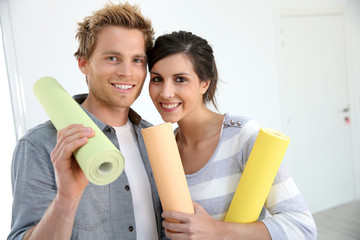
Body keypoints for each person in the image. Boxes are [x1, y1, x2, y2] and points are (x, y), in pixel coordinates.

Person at [9, 2, 163, 240]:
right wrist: (66, 199)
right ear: (83, 63)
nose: (127, 72)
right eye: (113, 58)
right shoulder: (40, 145)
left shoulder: (155, 138)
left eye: (137, 60)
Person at [147, 31, 317, 240]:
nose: (165, 92)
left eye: (180, 79)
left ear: (205, 83)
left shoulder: (242, 136)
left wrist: (216, 231)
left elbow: (302, 227)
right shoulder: (162, 150)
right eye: (157, 79)